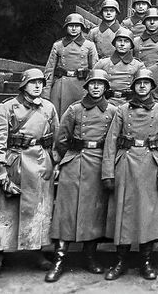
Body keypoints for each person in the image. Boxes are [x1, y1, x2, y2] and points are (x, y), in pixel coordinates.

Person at [0, 68, 59, 281]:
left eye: (41, 83)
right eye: (33, 82)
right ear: (23, 85)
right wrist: (0, 171)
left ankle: (37, 251)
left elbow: (55, 138)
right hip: (14, 163)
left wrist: (55, 163)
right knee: (3, 212)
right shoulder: (6, 108)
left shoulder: (49, 108)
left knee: (39, 210)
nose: (38, 86)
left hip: (41, 164)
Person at [101, 67, 158, 280]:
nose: (142, 86)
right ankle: (121, 260)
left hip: (151, 163)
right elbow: (111, 141)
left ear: (152, 86)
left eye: (146, 83)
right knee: (123, 211)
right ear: (133, 86)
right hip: (125, 161)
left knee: (148, 213)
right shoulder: (122, 110)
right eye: (138, 83)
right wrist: (108, 173)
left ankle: (146, 261)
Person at [46, 69, 117, 282]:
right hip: (75, 161)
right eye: (92, 84)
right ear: (86, 87)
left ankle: (90, 256)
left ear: (106, 88)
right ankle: (59, 260)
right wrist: (67, 157)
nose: (96, 87)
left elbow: (114, 139)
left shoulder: (113, 111)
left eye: (100, 84)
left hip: (98, 164)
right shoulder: (74, 109)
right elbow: (62, 138)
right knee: (66, 211)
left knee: (93, 211)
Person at [43, 14, 99, 119]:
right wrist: (46, 93)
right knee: (59, 117)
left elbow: (95, 70)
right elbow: (49, 70)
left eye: (77, 26)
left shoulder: (89, 45)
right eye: (70, 26)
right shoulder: (58, 45)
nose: (74, 28)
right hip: (61, 85)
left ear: (82, 28)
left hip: (82, 86)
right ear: (66, 27)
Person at [95, 27, 144, 105]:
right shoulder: (103, 63)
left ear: (131, 45)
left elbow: (143, 86)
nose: (122, 44)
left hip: (129, 103)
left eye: (126, 41)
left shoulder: (138, 65)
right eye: (119, 40)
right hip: (106, 102)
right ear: (114, 43)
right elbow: (92, 83)